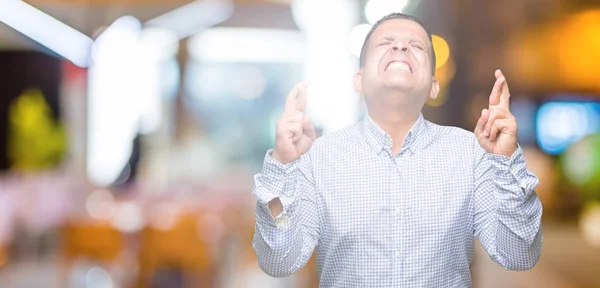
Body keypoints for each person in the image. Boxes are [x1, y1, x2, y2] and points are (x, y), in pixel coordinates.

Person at [252, 13, 542, 287]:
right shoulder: (320, 156)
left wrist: (505, 161)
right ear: (358, 80)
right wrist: (282, 165)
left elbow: (519, 255)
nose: (401, 45)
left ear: (433, 85)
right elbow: (278, 262)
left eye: (416, 45)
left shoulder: (470, 153)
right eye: (385, 43)